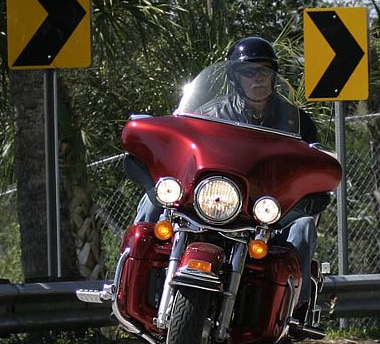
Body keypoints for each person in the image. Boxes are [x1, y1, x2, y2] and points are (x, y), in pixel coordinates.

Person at [135, 36, 323, 324]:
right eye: (248, 72)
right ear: (236, 78)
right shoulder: (211, 113)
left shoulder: (296, 122)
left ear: (274, 76)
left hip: (264, 208)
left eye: (264, 71)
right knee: (152, 203)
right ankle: (132, 282)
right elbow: (186, 149)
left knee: (304, 226)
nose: (257, 79)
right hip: (213, 200)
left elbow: (312, 165)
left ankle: (296, 311)